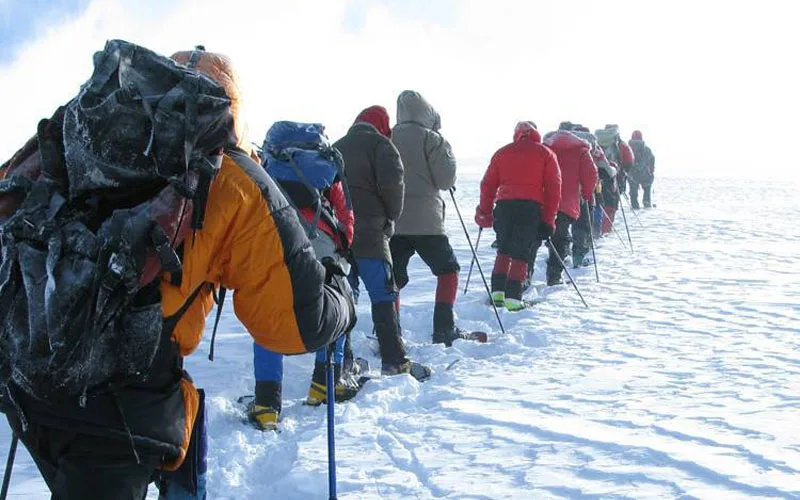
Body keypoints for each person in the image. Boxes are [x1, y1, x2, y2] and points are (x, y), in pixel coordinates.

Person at [2, 45, 355, 500]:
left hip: (28, 376)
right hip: (122, 410)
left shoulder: (80, 136)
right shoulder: (230, 175)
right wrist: (339, 293)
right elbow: (292, 325)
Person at [248, 135, 358, 430]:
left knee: (268, 316)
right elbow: (346, 213)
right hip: (322, 246)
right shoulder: (325, 168)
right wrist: (342, 242)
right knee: (334, 309)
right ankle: (325, 385)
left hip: (276, 245)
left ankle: (266, 405)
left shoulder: (267, 165)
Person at [333, 106, 431, 378]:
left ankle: (342, 363)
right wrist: (389, 218)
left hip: (340, 236)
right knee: (383, 296)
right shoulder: (382, 146)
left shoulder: (336, 147)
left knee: (344, 299)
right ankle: (394, 359)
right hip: (371, 236)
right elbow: (394, 187)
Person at [390, 90, 467, 345]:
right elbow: (445, 180)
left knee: (393, 278)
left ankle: (390, 331)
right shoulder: (433, 139)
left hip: (394, 219)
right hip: (427, 222)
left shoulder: (386, 137)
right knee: (448, 270)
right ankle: (444, 328)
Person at [475, 121, 561, 311]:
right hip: (530, 207)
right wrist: (549, 220)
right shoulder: (546, 154)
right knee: (522, 252)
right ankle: (513, 299)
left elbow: (487, 185)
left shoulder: (502, 152)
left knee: (504, 249)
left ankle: (497, 294)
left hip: (504, 206)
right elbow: (553, 190)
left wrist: (485, 212)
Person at [542, 127, 598, 285]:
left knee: (541, 236)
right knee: (561, 237)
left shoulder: (547, 147)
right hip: (567, 200)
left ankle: (525, 275)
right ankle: (555, 275)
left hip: (545, 199)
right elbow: (591, 174)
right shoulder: (581, 150)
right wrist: (587, 193)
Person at [628, 130, 656, 208]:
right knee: (647, 193)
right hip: (645, 174)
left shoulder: (628, 148)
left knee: (633, 195)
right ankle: (646, 205)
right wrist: (651, 170)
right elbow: (652, 159)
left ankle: (635, 207)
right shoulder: (646, 149)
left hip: (632, 174)